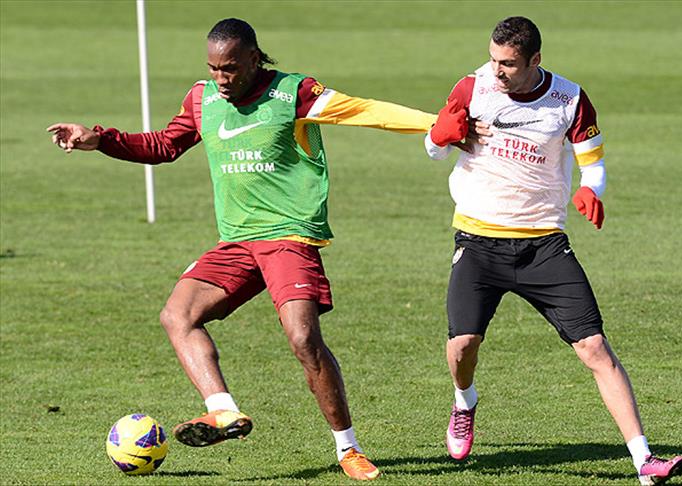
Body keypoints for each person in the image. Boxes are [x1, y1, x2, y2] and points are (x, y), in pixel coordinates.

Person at [48, 18, 437, 481]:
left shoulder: (295, 93)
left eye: (230, 68)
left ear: (254, 58)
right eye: (213, 68)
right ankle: (222, 410)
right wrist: (101, 139)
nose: (221, 78)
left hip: (288, 237)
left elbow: (365, 111)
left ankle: (347, 448)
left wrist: (438, 125)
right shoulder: (202, 99)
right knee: (177, 315)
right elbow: (164, 145)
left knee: (303, 339)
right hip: (237, 241)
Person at [424, 16, 682, 486]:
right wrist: (438, 136)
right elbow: (435, 147)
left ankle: (644, 460)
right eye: (493, 59)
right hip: (479, 241)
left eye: (508, 63)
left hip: (543, 244)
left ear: (535, 60)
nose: (497, 71)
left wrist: (590, 189)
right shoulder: (472, 87)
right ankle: (464, 403)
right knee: (462, 345)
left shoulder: (569, 99)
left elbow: (593, 162)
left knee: (595, 347)